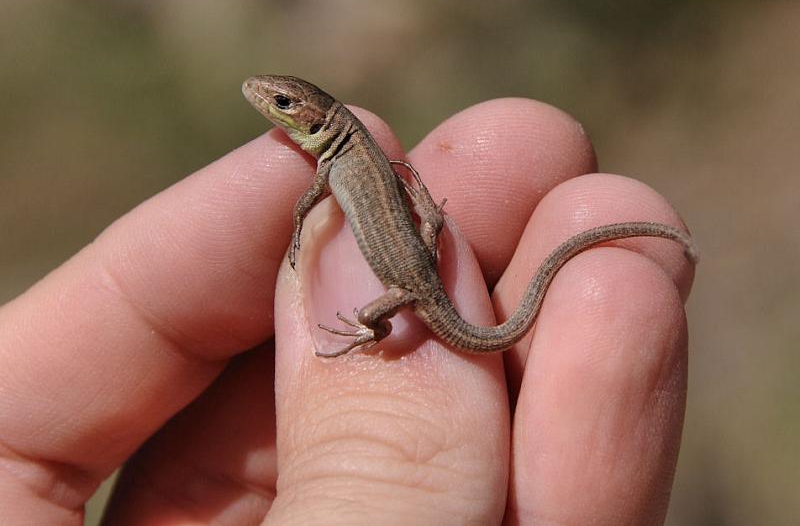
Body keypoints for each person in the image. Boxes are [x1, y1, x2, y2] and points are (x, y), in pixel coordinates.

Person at [0, 98, 695, 524]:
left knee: (374, 315)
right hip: (418, 268)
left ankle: (363, 329)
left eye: (278, 105)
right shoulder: (340, 148)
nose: (264, 106)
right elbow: (311, 198)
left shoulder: (338, 155)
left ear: (309, 121)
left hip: (409, 292)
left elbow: (309, 202)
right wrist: (422, 217)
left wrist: (366, 320)